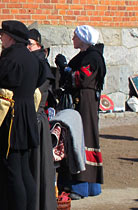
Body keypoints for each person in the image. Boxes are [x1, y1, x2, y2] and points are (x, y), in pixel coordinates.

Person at [0, 20, 45, 210]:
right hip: (27, 116)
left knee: (13, 170)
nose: (1, 37)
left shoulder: (10, 60)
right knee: (24, 169)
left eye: (2, 34)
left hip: (12, 119)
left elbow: (4, 97)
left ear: (10, 37)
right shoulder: (32, 59)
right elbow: (36, 93)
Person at [54, 25, 105, 200]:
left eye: (75, 36)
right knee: (80, 136)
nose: (73, 39)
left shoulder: (92, 57)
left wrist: (65, 68)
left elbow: (81, 78)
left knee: (82, 138)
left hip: (85, 102)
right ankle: (88, 186)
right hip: (81, 100)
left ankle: (82, 186)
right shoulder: (85, 56)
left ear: (83, 39)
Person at [27, 28, 57, 210]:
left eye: (29, 44)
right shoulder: (34, 61)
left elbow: (36, 96)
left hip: (36, 119)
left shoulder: (39, 63)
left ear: (39, 46)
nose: (27, 48)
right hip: (36, 118)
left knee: (39, 167)